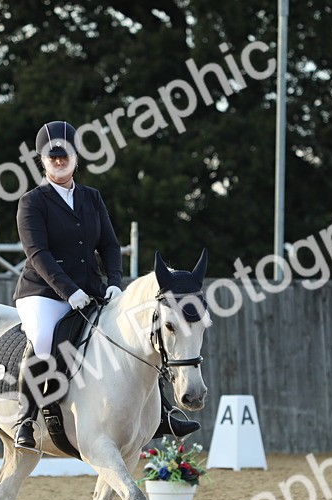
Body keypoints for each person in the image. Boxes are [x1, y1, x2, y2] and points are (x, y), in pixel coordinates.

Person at [12, 120, 199, 453]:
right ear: (42, 160)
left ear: (75, 158)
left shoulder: (91, 197)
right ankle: (26, 418)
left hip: (93, 291)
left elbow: (110, 246)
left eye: (65, 155)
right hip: (43, 292)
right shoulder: (32, 202)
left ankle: (164, 413)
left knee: (140, 334)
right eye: (52, 157)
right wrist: (68, 291)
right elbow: (37, 253)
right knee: (42, 337)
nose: (59, 161)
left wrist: (115, 283)